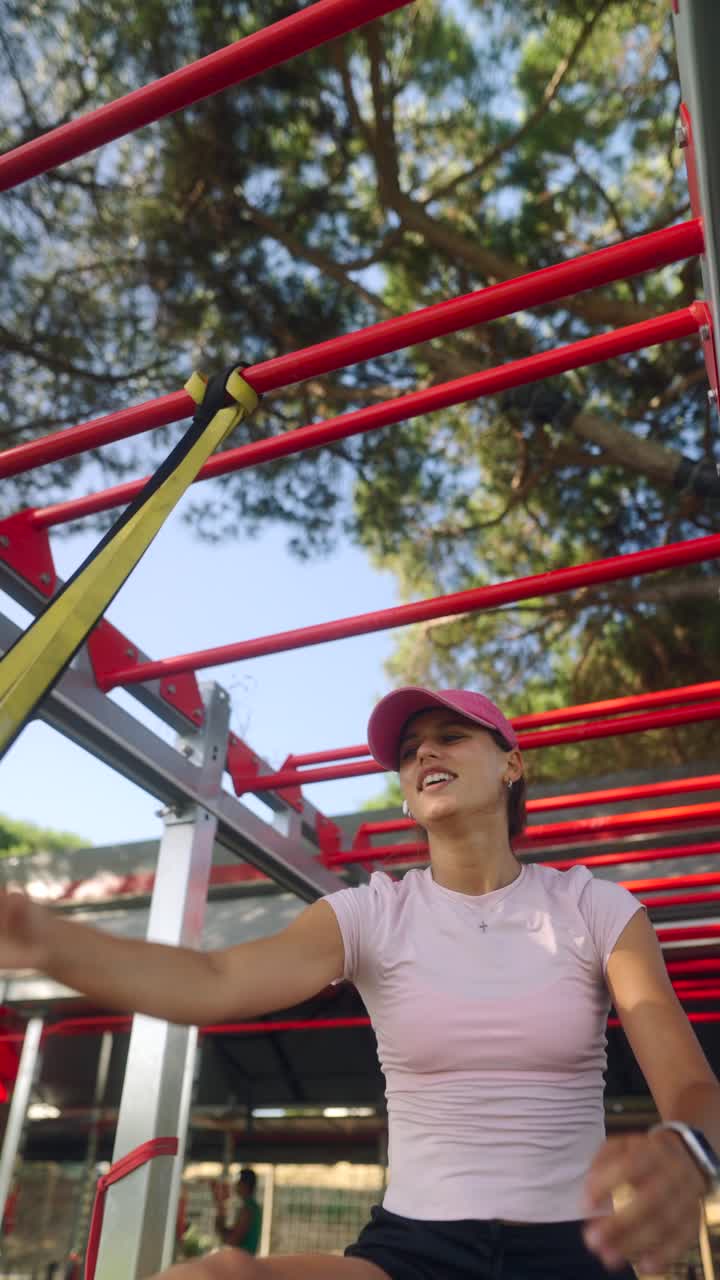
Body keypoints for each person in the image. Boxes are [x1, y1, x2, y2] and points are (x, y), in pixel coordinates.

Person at [0, 686, 718, 1280]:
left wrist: (687, 1148)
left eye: (451, 736)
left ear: (512, 766)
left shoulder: (596, 906)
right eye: (410, 751)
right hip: (417, 1252)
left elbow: (693, 1089)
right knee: (216, 1276)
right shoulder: (371, 913)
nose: (425, 752)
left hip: (579, 1251)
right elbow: (214, 979)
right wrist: (45, 941)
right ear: (407, 794)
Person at [213, 1168, 262, 1255]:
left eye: (238, 1182)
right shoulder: (250, 1207)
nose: (235, 1185)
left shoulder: (248, 1209)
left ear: (245, 1185)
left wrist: (220, 1206)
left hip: (243, 1261)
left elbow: (231, 1240)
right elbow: (229, 1234)